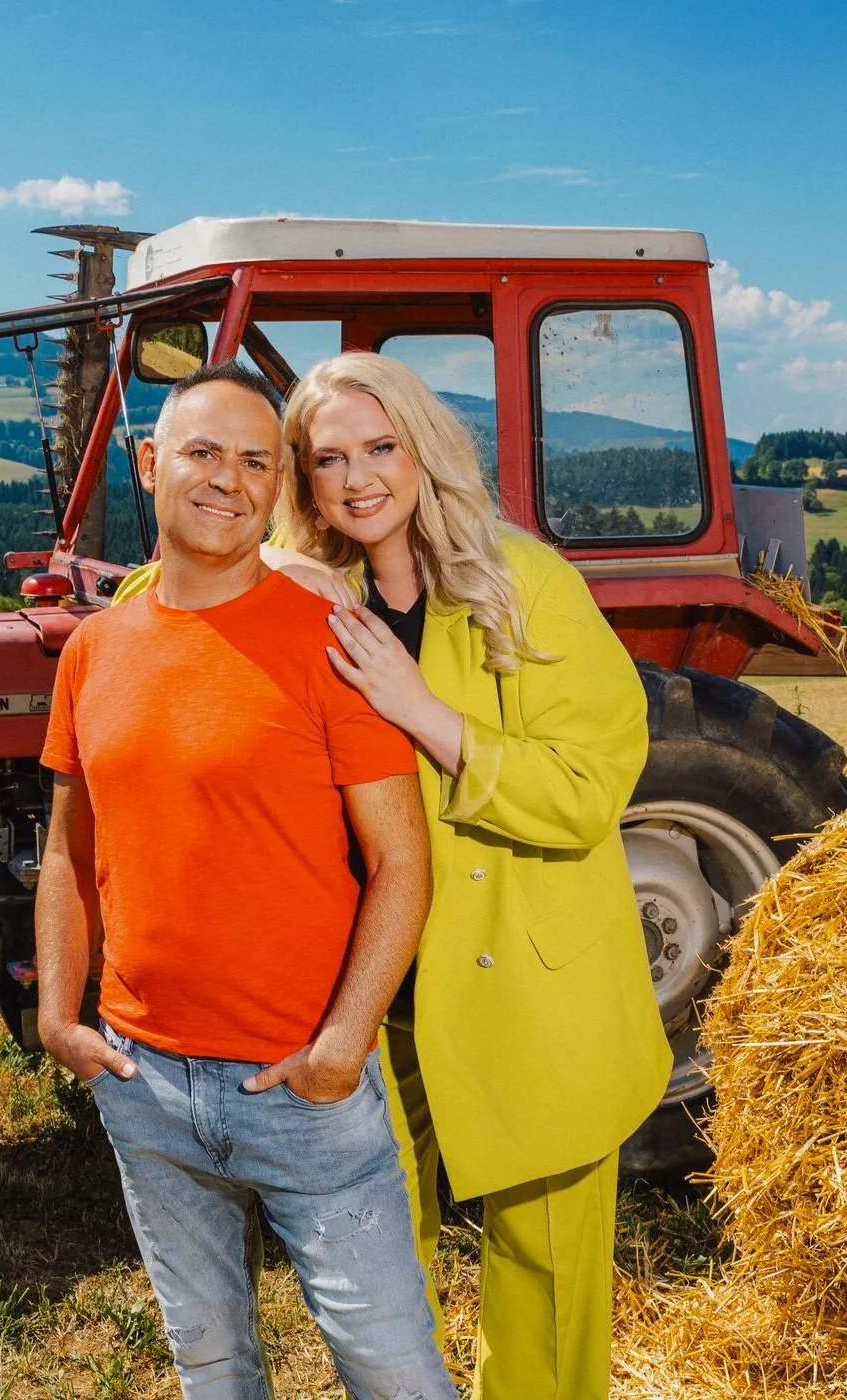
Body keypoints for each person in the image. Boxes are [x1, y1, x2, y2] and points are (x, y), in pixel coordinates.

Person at [35, 359, 459, 1400]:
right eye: (202, 452)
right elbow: (67, 853)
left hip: (302, 1087)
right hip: (142, 1081)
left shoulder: (331, 643)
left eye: (256, 462)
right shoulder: (94, 650)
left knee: (393, 1373)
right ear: (150, 463)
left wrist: (341, 1046)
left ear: (278, 488)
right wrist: (56, 1018)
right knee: (212, 1364)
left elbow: (402, 860)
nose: (228, 478)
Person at [251, 351, 670, 1400]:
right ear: (303, 482)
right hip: (376, 987)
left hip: (525, 984)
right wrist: (266, 561)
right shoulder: (308, 597)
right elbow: (150, 592)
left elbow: (585, 788)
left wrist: (422, 711)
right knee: (383, 1272)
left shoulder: (522, 583)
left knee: (545, 1278)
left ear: (424, 449)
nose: (357, 479)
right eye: (328, 459)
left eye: (380, 447)